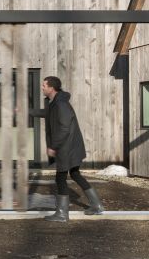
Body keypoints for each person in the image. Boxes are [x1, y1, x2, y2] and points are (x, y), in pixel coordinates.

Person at [32, 76, 103, 221]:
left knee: (60, 178)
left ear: (52, 88)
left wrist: (53, 146)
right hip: (70, 147)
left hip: (67, 148)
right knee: (75, 174)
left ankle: (62, 214)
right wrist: (24, 111)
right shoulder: (55, 103)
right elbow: (45, 114)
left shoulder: (61, 105)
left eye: (44, 85)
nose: (42, 87)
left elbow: (64, 129)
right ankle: (97, 205)